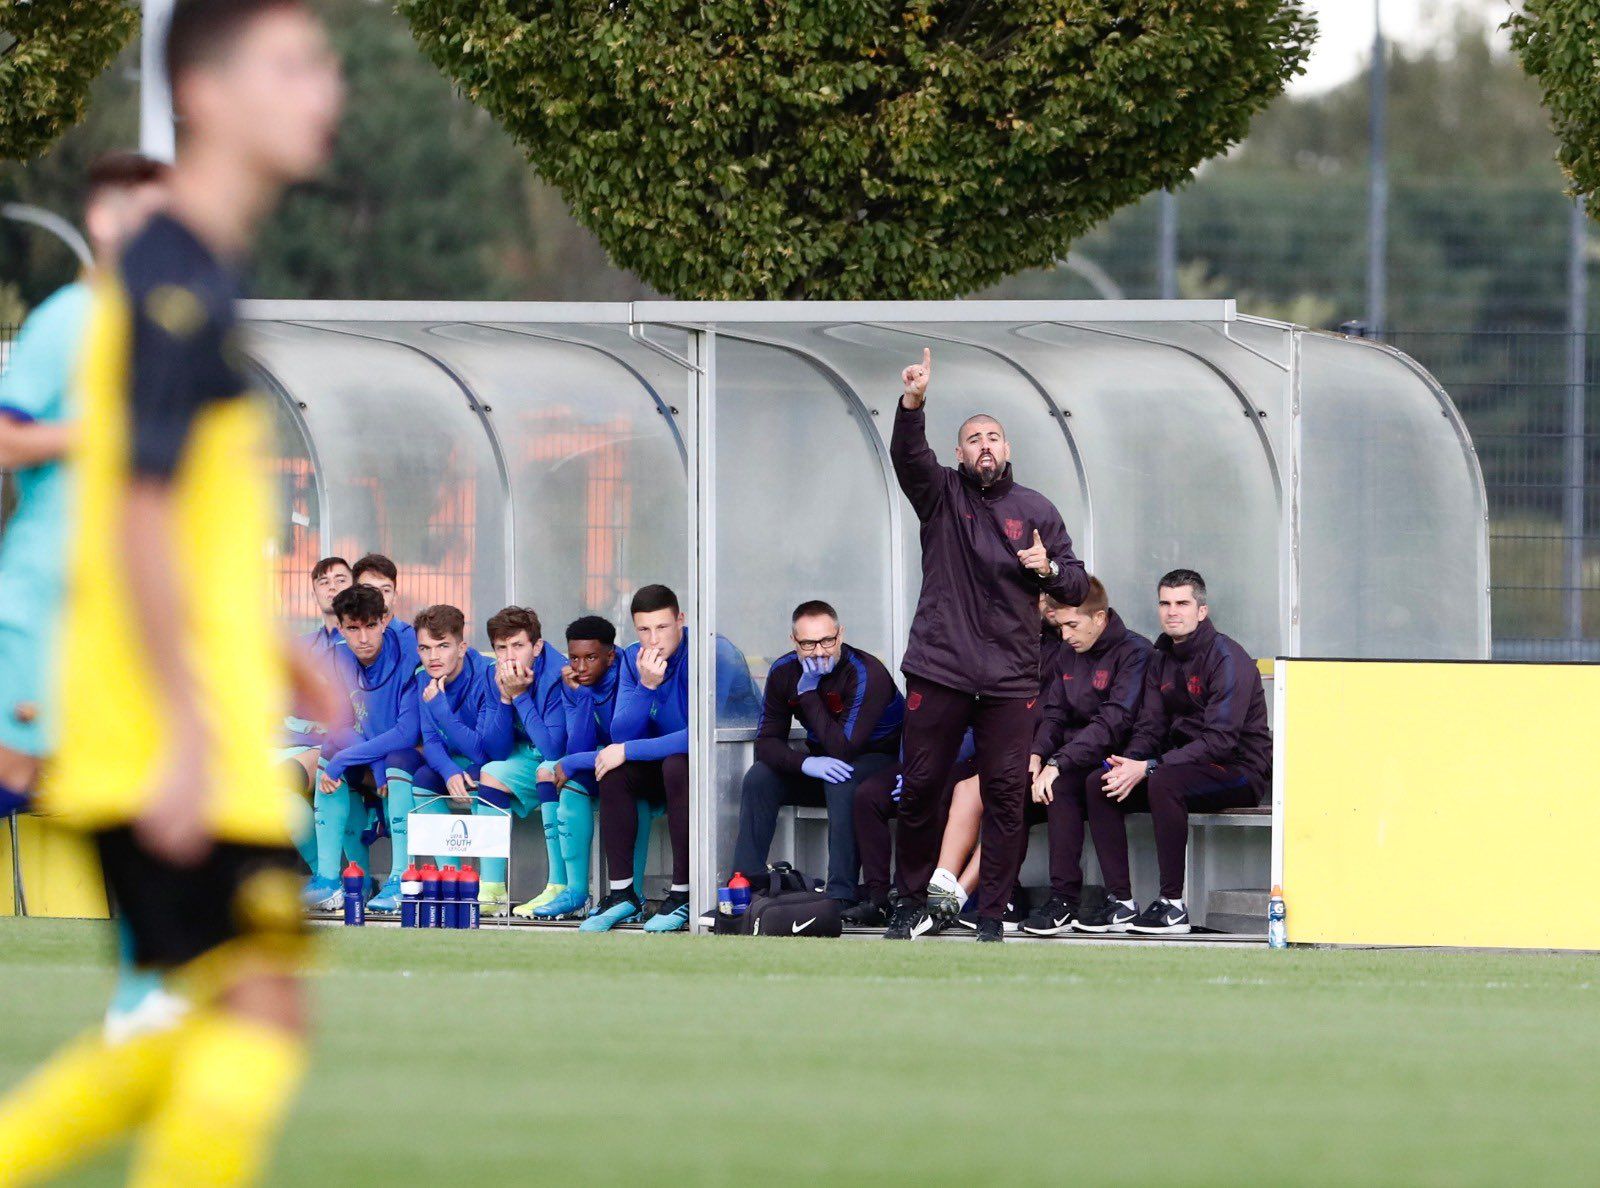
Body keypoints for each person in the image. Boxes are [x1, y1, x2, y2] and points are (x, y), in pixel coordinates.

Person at [0, 4, 344, 1184]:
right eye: (292, 65)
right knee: (255, 1017)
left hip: (168, 716)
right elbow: (135, 511)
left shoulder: (192, 267)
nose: (325, 91)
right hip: (159, 728)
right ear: (202, 91)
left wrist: (268, 644)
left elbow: (175, 512)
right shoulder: (167, 278)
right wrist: (194, 735)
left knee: (224, 1018)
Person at [0, 153, 174, 1042]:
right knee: (16, 772)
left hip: (119, 598)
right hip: (44, 592)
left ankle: (145, 991)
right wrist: (89, 430)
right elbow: (7, 439)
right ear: (105, 223)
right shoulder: (68, 322)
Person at [885, 348, 1089, 943]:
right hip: (940, 667)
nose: (984, 446)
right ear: (958, 453)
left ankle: (991, 913)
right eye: (973, 438)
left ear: (1008, 450)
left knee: (1005, 795)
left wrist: (1047, 569)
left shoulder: (1036, 510)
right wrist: (914, 402)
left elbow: (1077, 582)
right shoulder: (941, 493)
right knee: (921, 786)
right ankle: (910, 900)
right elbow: (907, 455)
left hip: (1009, 680)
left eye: (993, 437)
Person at [1086, 569, 1272, 936]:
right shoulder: (1161, 658)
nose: (1173, 611)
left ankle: (1172, 905)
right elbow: (1151, 726)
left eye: (1182, 603)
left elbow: (1220, 741)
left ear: (1201, 611)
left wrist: (1151, 766)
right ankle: (1121, 903)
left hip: (1238, 770)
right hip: (1183, 768)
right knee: (1099, 782)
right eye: (1165, 603)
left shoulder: (1227, 657)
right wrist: (1130, 764)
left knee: (1163, 781)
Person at [727, 600, 903, 913]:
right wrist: (805, 763)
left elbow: (845, 748)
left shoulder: (866, 671)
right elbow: (766, 742)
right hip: (826, 760)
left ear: (841, 634)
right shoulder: (783, 671)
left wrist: (808, 694)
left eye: (827, 640)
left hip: (881, 761)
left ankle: (840, 894)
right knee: (761, 777)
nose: (819, 652)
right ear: (793, 641)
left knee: (841, 775)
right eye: (808, 643)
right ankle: (745, 887)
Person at [1021, 577, 1151, 935]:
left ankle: (1121, 900)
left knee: (1090, 782)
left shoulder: (1135, 652)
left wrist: (1058, 761)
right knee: (1043, 786)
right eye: (1060, 626)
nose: (1064, 636)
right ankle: (1055, 900)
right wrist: (1037, 754)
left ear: (1099, 618)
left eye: (1072, 625)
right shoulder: (1068, 652)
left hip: (1126, 756)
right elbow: (1054, 713)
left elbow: (1115, 721)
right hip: (1076, 754)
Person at [519, 615, 655, 920]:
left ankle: (637, 895)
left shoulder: (628, 674)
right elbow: (577, 749)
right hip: (600, 766)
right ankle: (575, 891)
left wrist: (572, 761)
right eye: (574, 658)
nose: (580, 667)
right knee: (571, 783)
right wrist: (579, 699)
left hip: (643, 768)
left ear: (609, 655)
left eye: (591, 658)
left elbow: (625, 742)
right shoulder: (573, 682)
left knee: (627, 787)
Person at [580, 584, 694, 933]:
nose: (653, 639)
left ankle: (683, 894)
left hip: (712, 767)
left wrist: (627, 751)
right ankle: (623, 895)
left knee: (675, 762)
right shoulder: (633, 658)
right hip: (662, 767)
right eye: (644, 629)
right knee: (613, 770)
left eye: (662, 627)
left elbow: (698, 737)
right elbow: (622, 733)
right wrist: (646, 687)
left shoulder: (706, 652)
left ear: (680, 620)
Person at [306, 584, 423, 913]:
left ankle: (403, 879)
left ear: (385, 621)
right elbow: (341, 725)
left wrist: (352, 759)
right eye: (353, 628)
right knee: (328, 757)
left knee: (388, 759)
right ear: (340, 628)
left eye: (371, 625)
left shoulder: (409, 652)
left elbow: (407, 731)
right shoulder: (337, 656)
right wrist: (372, 766)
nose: (363, 638)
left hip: (413, 751)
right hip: (372, 754)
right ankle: (330, 880)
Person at [408, 604, 513, 872]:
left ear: (462, 647)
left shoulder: (487, 674)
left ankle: (491, 885)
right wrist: (448, 770)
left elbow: (482, 751)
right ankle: (450, 877)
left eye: (443, 646)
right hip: (455, 762)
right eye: (425, 648)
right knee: (422, 778)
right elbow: (430, 740)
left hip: (489, 761)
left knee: (482, 774)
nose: (433, 656)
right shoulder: (423, 678)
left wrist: (441, 710)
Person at [476, 605, 566, 916]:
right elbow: (496, 750)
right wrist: (504, 698)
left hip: (564, 759)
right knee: (490, 772)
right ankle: (492, 890)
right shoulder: (494, 674)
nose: (509, 656)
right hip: (525, 757)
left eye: (518, 645)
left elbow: (553, 747)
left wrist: (520, 697)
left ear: (537, 646)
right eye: (501, 648)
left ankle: (559, 885)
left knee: (546, 768)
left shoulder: (558, 673)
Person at [279, 555, 352, 871]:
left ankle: (324, 875)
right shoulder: (301, 646)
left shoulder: (361, 641)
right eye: (323, 581)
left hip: (329, 745)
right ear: (314, 592)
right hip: (285, 742)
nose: (331, 587)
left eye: (340, 580)